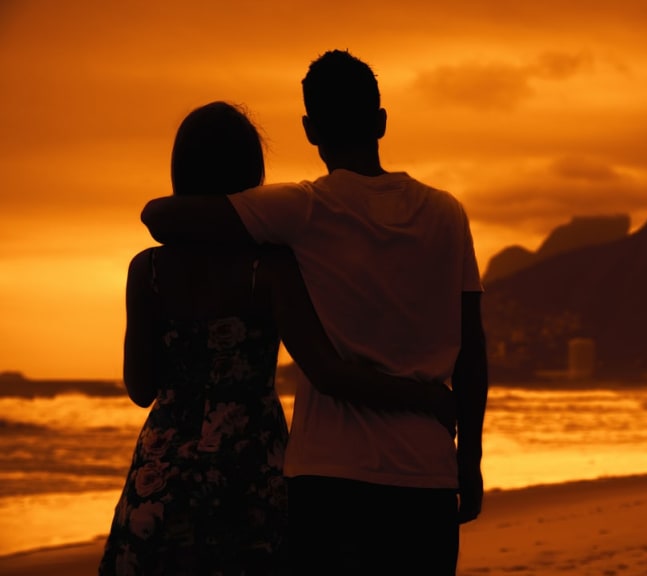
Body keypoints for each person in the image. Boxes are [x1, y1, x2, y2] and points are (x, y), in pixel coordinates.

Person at [142, 50, 488, 576]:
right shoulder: (447, 213)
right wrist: (470, 461)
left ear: (309, 130)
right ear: (381, 122)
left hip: (329, 476)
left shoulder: (301, 210)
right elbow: (473, 350)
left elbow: (159, 216)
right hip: (426, 473)